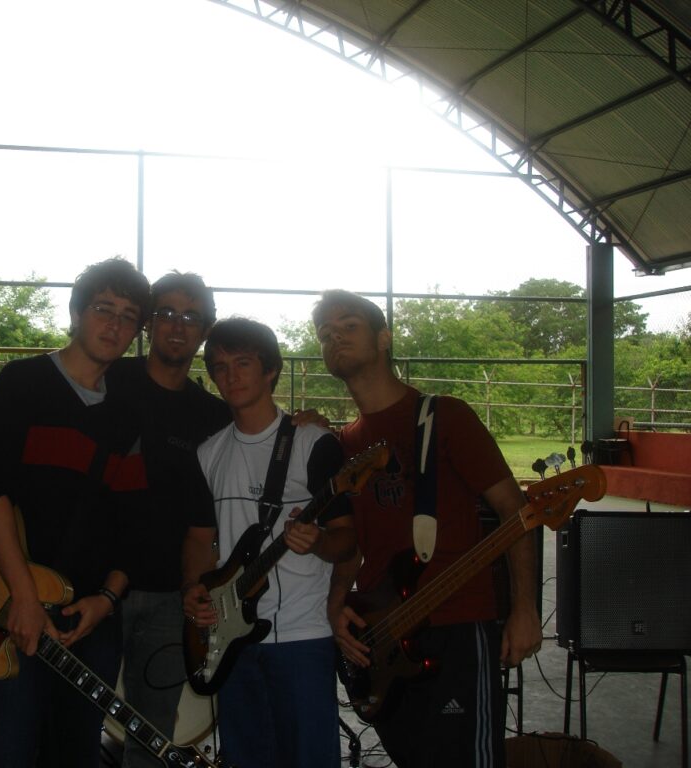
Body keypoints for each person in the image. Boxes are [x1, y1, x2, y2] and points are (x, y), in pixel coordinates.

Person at [313, 290, 541, 768]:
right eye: (325, 333)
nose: (335, 337)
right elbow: (352, 546)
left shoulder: (445, 417)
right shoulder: (343, 444)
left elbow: (514, 510)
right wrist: (337, 606)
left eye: (348, 325)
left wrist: (524, 608)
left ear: (384, 338)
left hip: (457, 627)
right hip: (386, 635)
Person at [0, 257, 151, 768]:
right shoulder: (21, 383)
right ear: (75, 312)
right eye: (103, 308)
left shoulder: (127, 413)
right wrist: (25, 599)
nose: (114, 324)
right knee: (7, 747)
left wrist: (106, 601)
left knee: (75, 751)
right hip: (11, 605)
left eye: (129, 316)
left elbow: (134, 521)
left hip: (88, 620)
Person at [181, 317, 355, 768]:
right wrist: (194, 590)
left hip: (302, 635)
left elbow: (348, 541)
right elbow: (201, 540)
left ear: (271, 371)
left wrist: (317, 541)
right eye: (220, 367)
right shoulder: (208, 453)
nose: (231, 376)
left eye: (243, 363)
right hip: (231, 639)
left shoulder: (313, 443)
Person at [105, 272, 230, 768]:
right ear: (148, 323)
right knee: (65, 717)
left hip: (167, 597)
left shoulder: (212, 415)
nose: (177, 327)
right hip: (89, 590)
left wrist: (307, 423)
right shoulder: (108, 381)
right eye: (167, 314)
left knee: (152, 730)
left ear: (205, 331)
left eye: (191, 317)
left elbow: (264, 435)